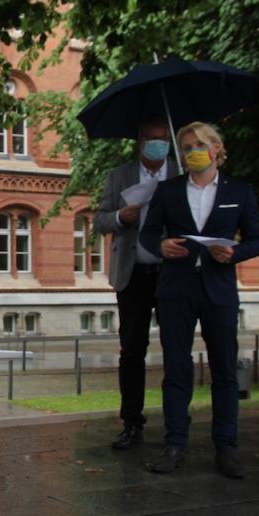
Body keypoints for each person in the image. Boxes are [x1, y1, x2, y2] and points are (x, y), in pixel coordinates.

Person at [140, 122, 259, 478]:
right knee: (176, 371)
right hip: (176, 290)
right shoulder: (168, 190)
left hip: (219, 290)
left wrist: (235, 252)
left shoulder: (239, 191)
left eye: (198, 144)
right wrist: (160, 246)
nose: (192, 150)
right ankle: (174, 444)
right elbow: (149, 233)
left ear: (216, 147)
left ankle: (226, 448)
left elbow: (256, 240)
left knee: (224, 371)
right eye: (186, 145)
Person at [93, 117, 176, 450]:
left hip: (171, 273)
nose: (158, 144)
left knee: (175, 349)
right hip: (133, 274)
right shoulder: (120, 176)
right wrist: (119, 218)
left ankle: (176, 423)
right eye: (152, 138)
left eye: (163, 138)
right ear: (140, 142)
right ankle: (131, 422)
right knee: (131, 352)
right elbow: (99, 220)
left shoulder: (180, 173)